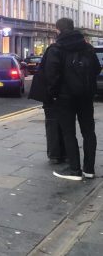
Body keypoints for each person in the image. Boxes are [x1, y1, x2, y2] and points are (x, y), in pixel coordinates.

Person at [44, 18, 101, 181]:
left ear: (58, 30)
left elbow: (51, 75)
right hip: (86, 96)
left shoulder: (56, 48)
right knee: (89, 132)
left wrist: (54, 93)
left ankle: (75, 170)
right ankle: (89, 170)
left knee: (69, 133)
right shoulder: (88, 47)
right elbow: (96, 69)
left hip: (64, 97)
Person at [28, 51, 66, 164]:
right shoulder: (80, 48)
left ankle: (54, 155)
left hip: (54, 96)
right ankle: (68, 154)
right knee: (67, 125)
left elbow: (51, 74)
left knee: (52, 124)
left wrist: (52, 94)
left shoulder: (54, 50)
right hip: (71, 95)